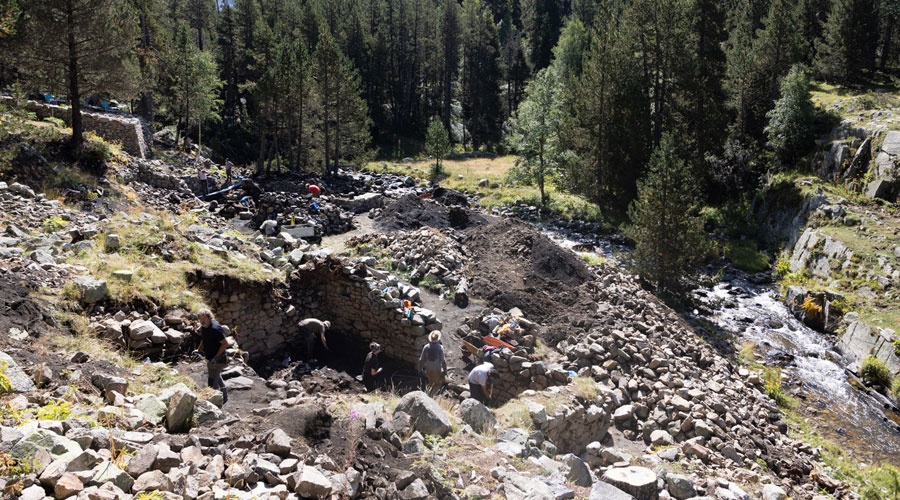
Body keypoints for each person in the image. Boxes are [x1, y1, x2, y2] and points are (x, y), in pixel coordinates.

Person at [192, 308, 230, 403]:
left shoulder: (215, 329)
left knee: (212, 381)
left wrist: (216, 357)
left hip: (219, 359)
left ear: (209, 317)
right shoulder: (204, 327)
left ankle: (215, 403)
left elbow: (225, 344)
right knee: (217, 377)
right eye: (200, 318)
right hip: (210, 358)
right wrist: (199, 349)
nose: (202, 320)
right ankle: (224, 396)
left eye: (203, 318)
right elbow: (204, 339)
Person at [418, 330, 447, 396]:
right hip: (436, 370)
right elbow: (443, 361)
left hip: (428, 369)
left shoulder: (426, 347)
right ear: (438, 339)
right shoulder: (440, 348)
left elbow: (421, 359)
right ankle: (430, 396)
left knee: (431, 382)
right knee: (438, 384)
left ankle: (429, 393)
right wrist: (445, 370)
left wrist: (420, 369)